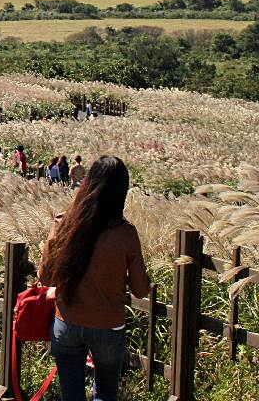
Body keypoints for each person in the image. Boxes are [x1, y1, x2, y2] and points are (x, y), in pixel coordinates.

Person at [39, 156, 152, 401]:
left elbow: (45, 276)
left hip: (67, 321)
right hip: (108, 325)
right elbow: (141, 289)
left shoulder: (63, 224)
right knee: (106, 393)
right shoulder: (125, 234)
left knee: (71, 395)